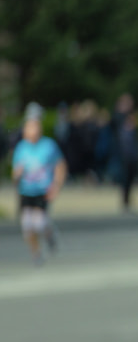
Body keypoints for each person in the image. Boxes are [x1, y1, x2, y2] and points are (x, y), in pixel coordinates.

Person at [11, 112, 67, 266]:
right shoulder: (21, 148)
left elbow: (60, 165)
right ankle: (36, 253)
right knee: (27, 225)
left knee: (40, 223)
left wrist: (56, 185)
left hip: (42, 190)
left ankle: (50, 234)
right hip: (26, 191)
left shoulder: (49, 145)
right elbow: (15, 173)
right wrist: (17, 175)